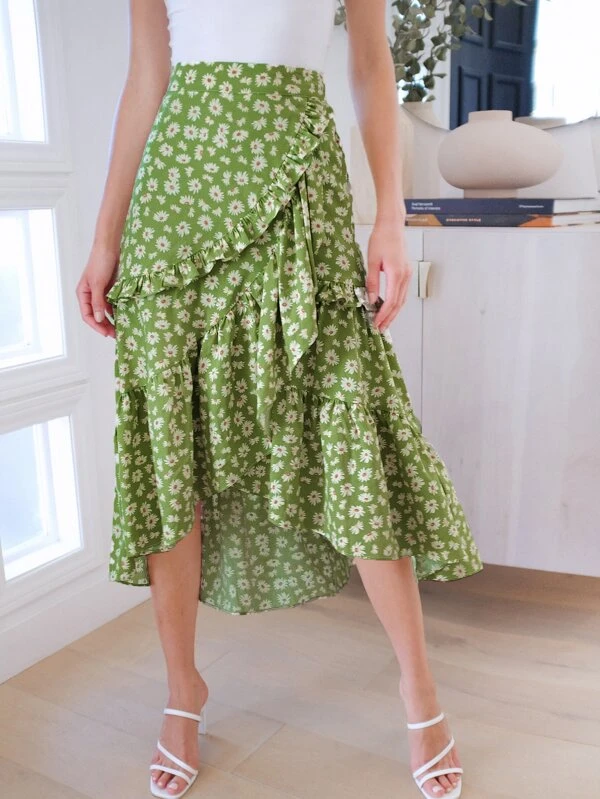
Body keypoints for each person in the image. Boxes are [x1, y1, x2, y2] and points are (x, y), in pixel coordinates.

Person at [76, 1, 483, 797]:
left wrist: (390, 216)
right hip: (176, 201)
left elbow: (370, 63)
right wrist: (105, 238)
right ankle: (182, 689)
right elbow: (147, 76)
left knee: (347, 430)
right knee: (174, 445)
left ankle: (419, 688)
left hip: (299, 191)